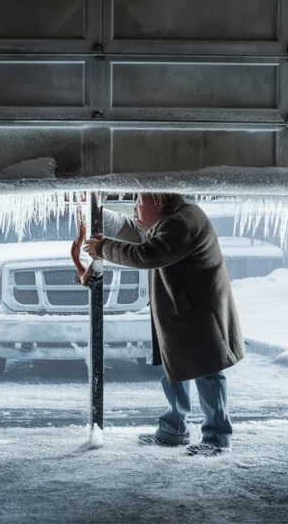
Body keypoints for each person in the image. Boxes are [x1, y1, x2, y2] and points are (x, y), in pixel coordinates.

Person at [82, 193, 244, 456]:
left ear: (157, 202)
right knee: (175, 367)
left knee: (208, 371)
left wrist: (103, 248)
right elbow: (138, 231)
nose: (135, 209)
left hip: (201, 311)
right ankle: (174, 428)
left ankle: (217, 438)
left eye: (138, 202)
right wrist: (96, 211)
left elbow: (146, 253)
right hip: (183, 308)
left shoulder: (182, 223)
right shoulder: (170, 218)